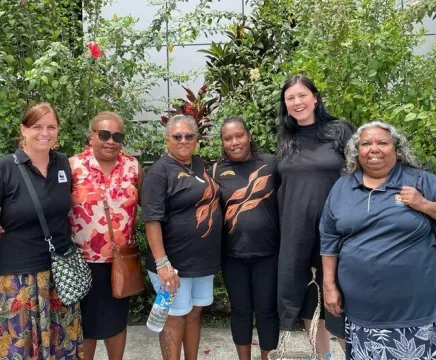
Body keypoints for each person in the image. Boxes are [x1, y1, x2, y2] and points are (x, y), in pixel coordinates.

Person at [320, 121, 436, 360]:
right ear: (356, 151)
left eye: (382, 143)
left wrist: (423, 204)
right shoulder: (343, 187)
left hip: (415, 309)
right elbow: (329, 237)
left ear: (397, 149)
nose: (374, 149)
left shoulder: (419, 181)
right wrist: (329, 285)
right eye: (366, 143)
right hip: (362, 312)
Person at [276, 75, 354, 356]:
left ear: (315, 97)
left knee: (341, 297)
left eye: (302, 95)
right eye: (290, 98)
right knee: (308, 295)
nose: (297, 102)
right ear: (285, 105)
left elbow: (359, 174)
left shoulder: (340, 130)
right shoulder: (286, 138)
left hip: (336, 232)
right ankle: (322, 354)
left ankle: (353, 353)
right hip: (296, 231)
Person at [0, 103, 83, 359]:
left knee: (62, 345)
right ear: (23, 130)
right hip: (19, 276)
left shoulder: (62, 164)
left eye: (51, 127)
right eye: (37, 126)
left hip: (61, 273)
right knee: (20, 348)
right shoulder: (6, 167)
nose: (44, 133)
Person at [141, 114, 222, 360]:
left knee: (194, 314)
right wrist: (162, 263)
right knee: (174, 318)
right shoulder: (159, 172)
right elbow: (152, 220)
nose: (184, 140)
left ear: (197, 139)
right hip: (173, 265)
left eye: (189, 136)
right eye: (177, 136)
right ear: (167, 139)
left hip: (202, 263)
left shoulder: (198, 164)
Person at [69, 111, 143, 360]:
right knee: (85, 326)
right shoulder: (73, 166)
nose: (111, 141)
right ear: (92, 136)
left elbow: (149, 205)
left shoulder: (133, 166)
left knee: (117, 322)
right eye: (104, 134)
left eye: (117, 136)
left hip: (120, 262)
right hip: (82, 262)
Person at [211, 116, 280, 360]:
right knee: (240, 311)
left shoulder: (272, 163)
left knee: (267, 312)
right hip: (233, 256)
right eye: (228, 138)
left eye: (239, 135)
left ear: (249, 135)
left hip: (269, 254)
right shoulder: (217, 170)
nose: (235, 142)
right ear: (222, 142)